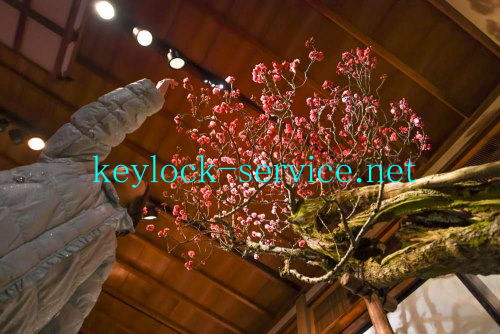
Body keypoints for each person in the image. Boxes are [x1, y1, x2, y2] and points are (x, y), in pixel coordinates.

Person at [0, 78, 175, 333]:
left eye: (142, 181)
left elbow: (73, 311)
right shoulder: (74, 164)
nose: (136, 172)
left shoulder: (105, 252)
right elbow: (97, 125)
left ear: (136, 207)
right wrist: (144, 98)